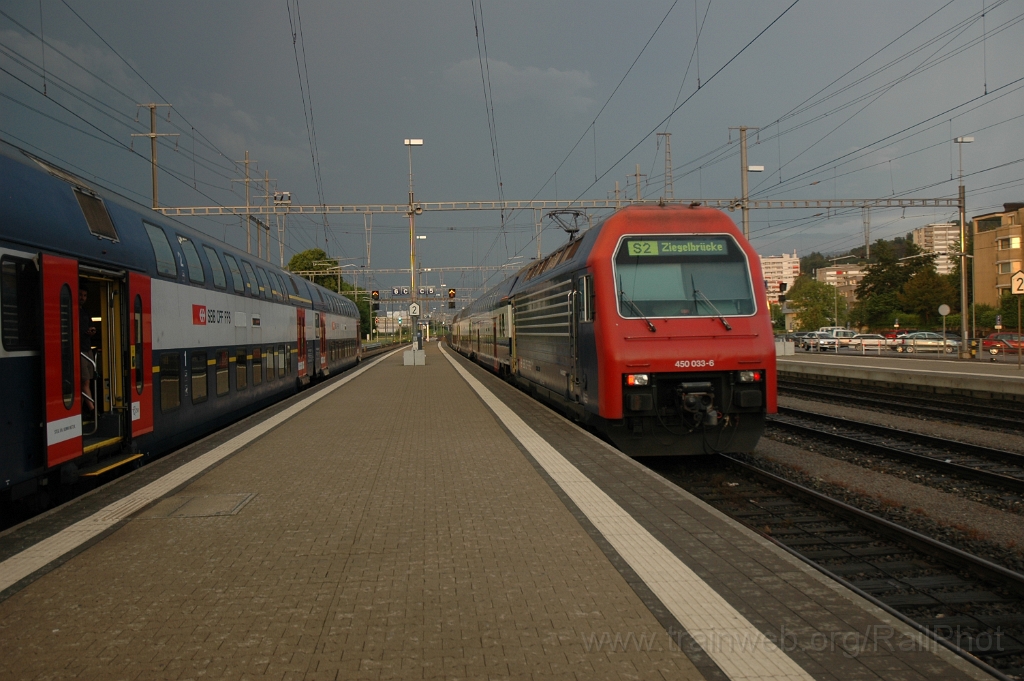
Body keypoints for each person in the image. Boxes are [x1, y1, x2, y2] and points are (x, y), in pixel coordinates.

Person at [79, 286, 97, 413]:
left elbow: (91, 326)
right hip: (79, 350)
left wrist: (92, 331)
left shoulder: (85, 312)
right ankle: (92, 411)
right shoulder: (73, 311)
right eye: (80, 295)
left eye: (85, 296)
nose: (82, 298)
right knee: (85, 381)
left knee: (86, 382)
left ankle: (77, 412)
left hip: (87, 348)